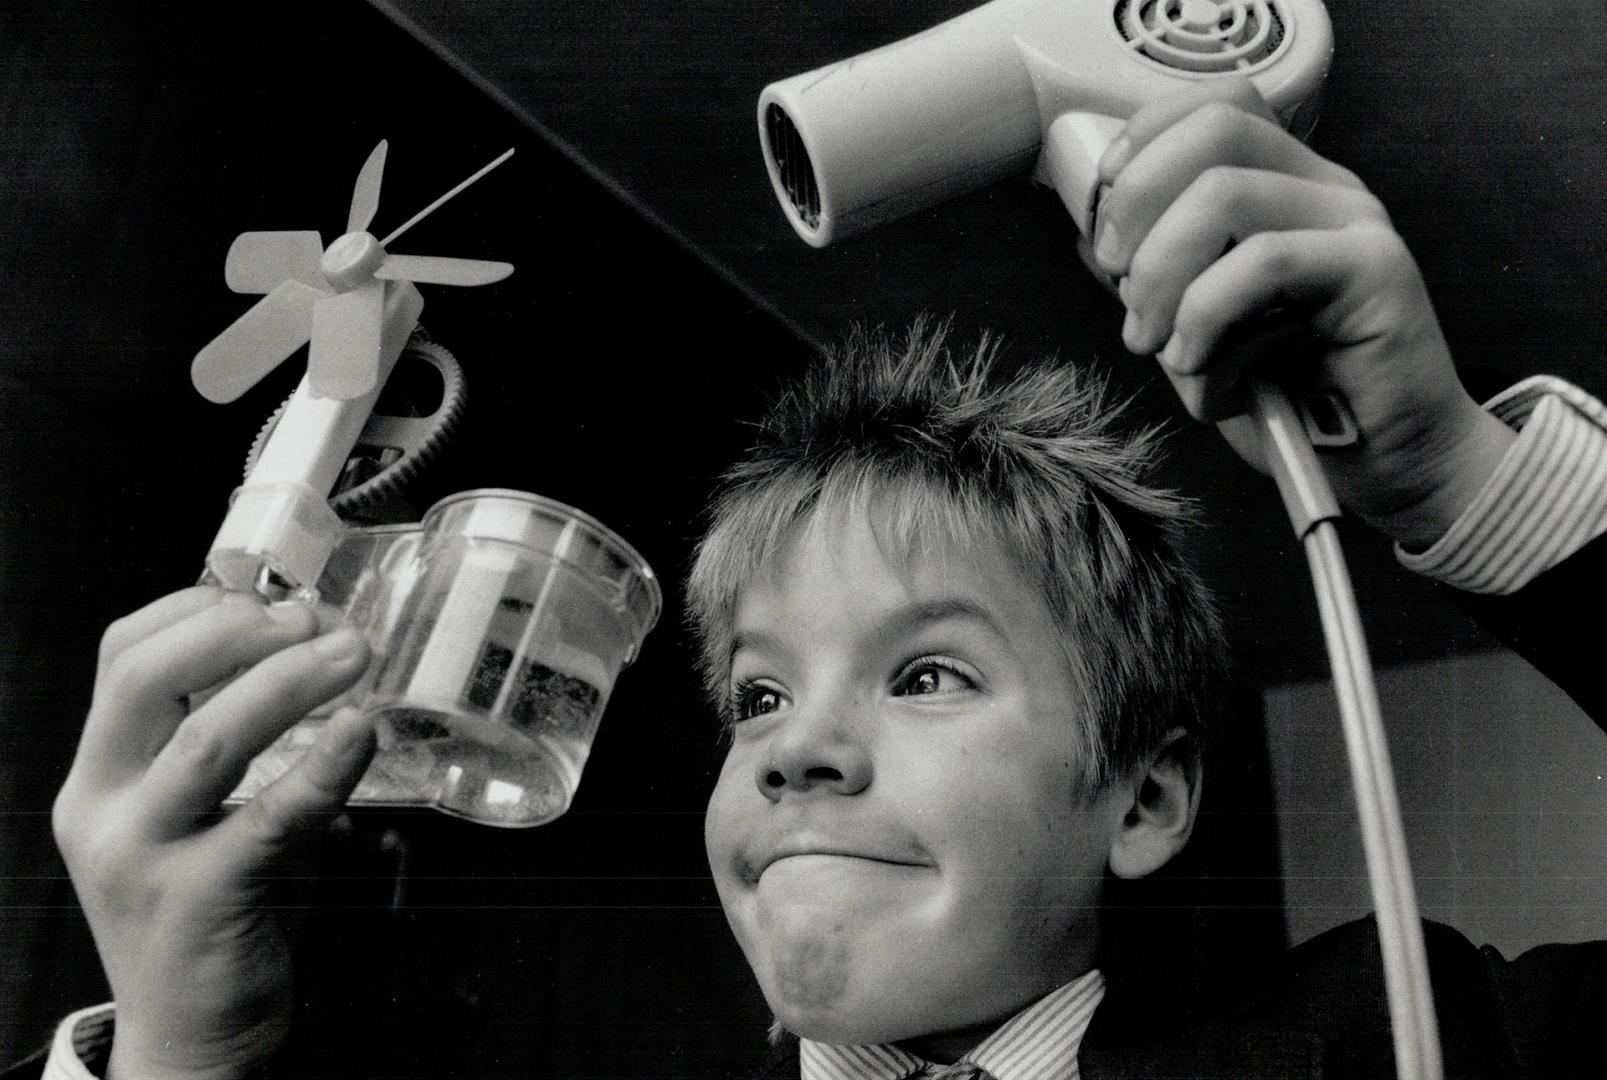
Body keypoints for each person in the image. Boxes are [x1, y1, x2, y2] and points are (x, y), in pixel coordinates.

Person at [28, 80, 1607, 1079]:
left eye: (927, 674)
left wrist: (1467, 485)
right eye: (761, 692)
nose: (789, 745)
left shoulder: (1412, 1037)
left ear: (1142, 798)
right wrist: (175, 1052)